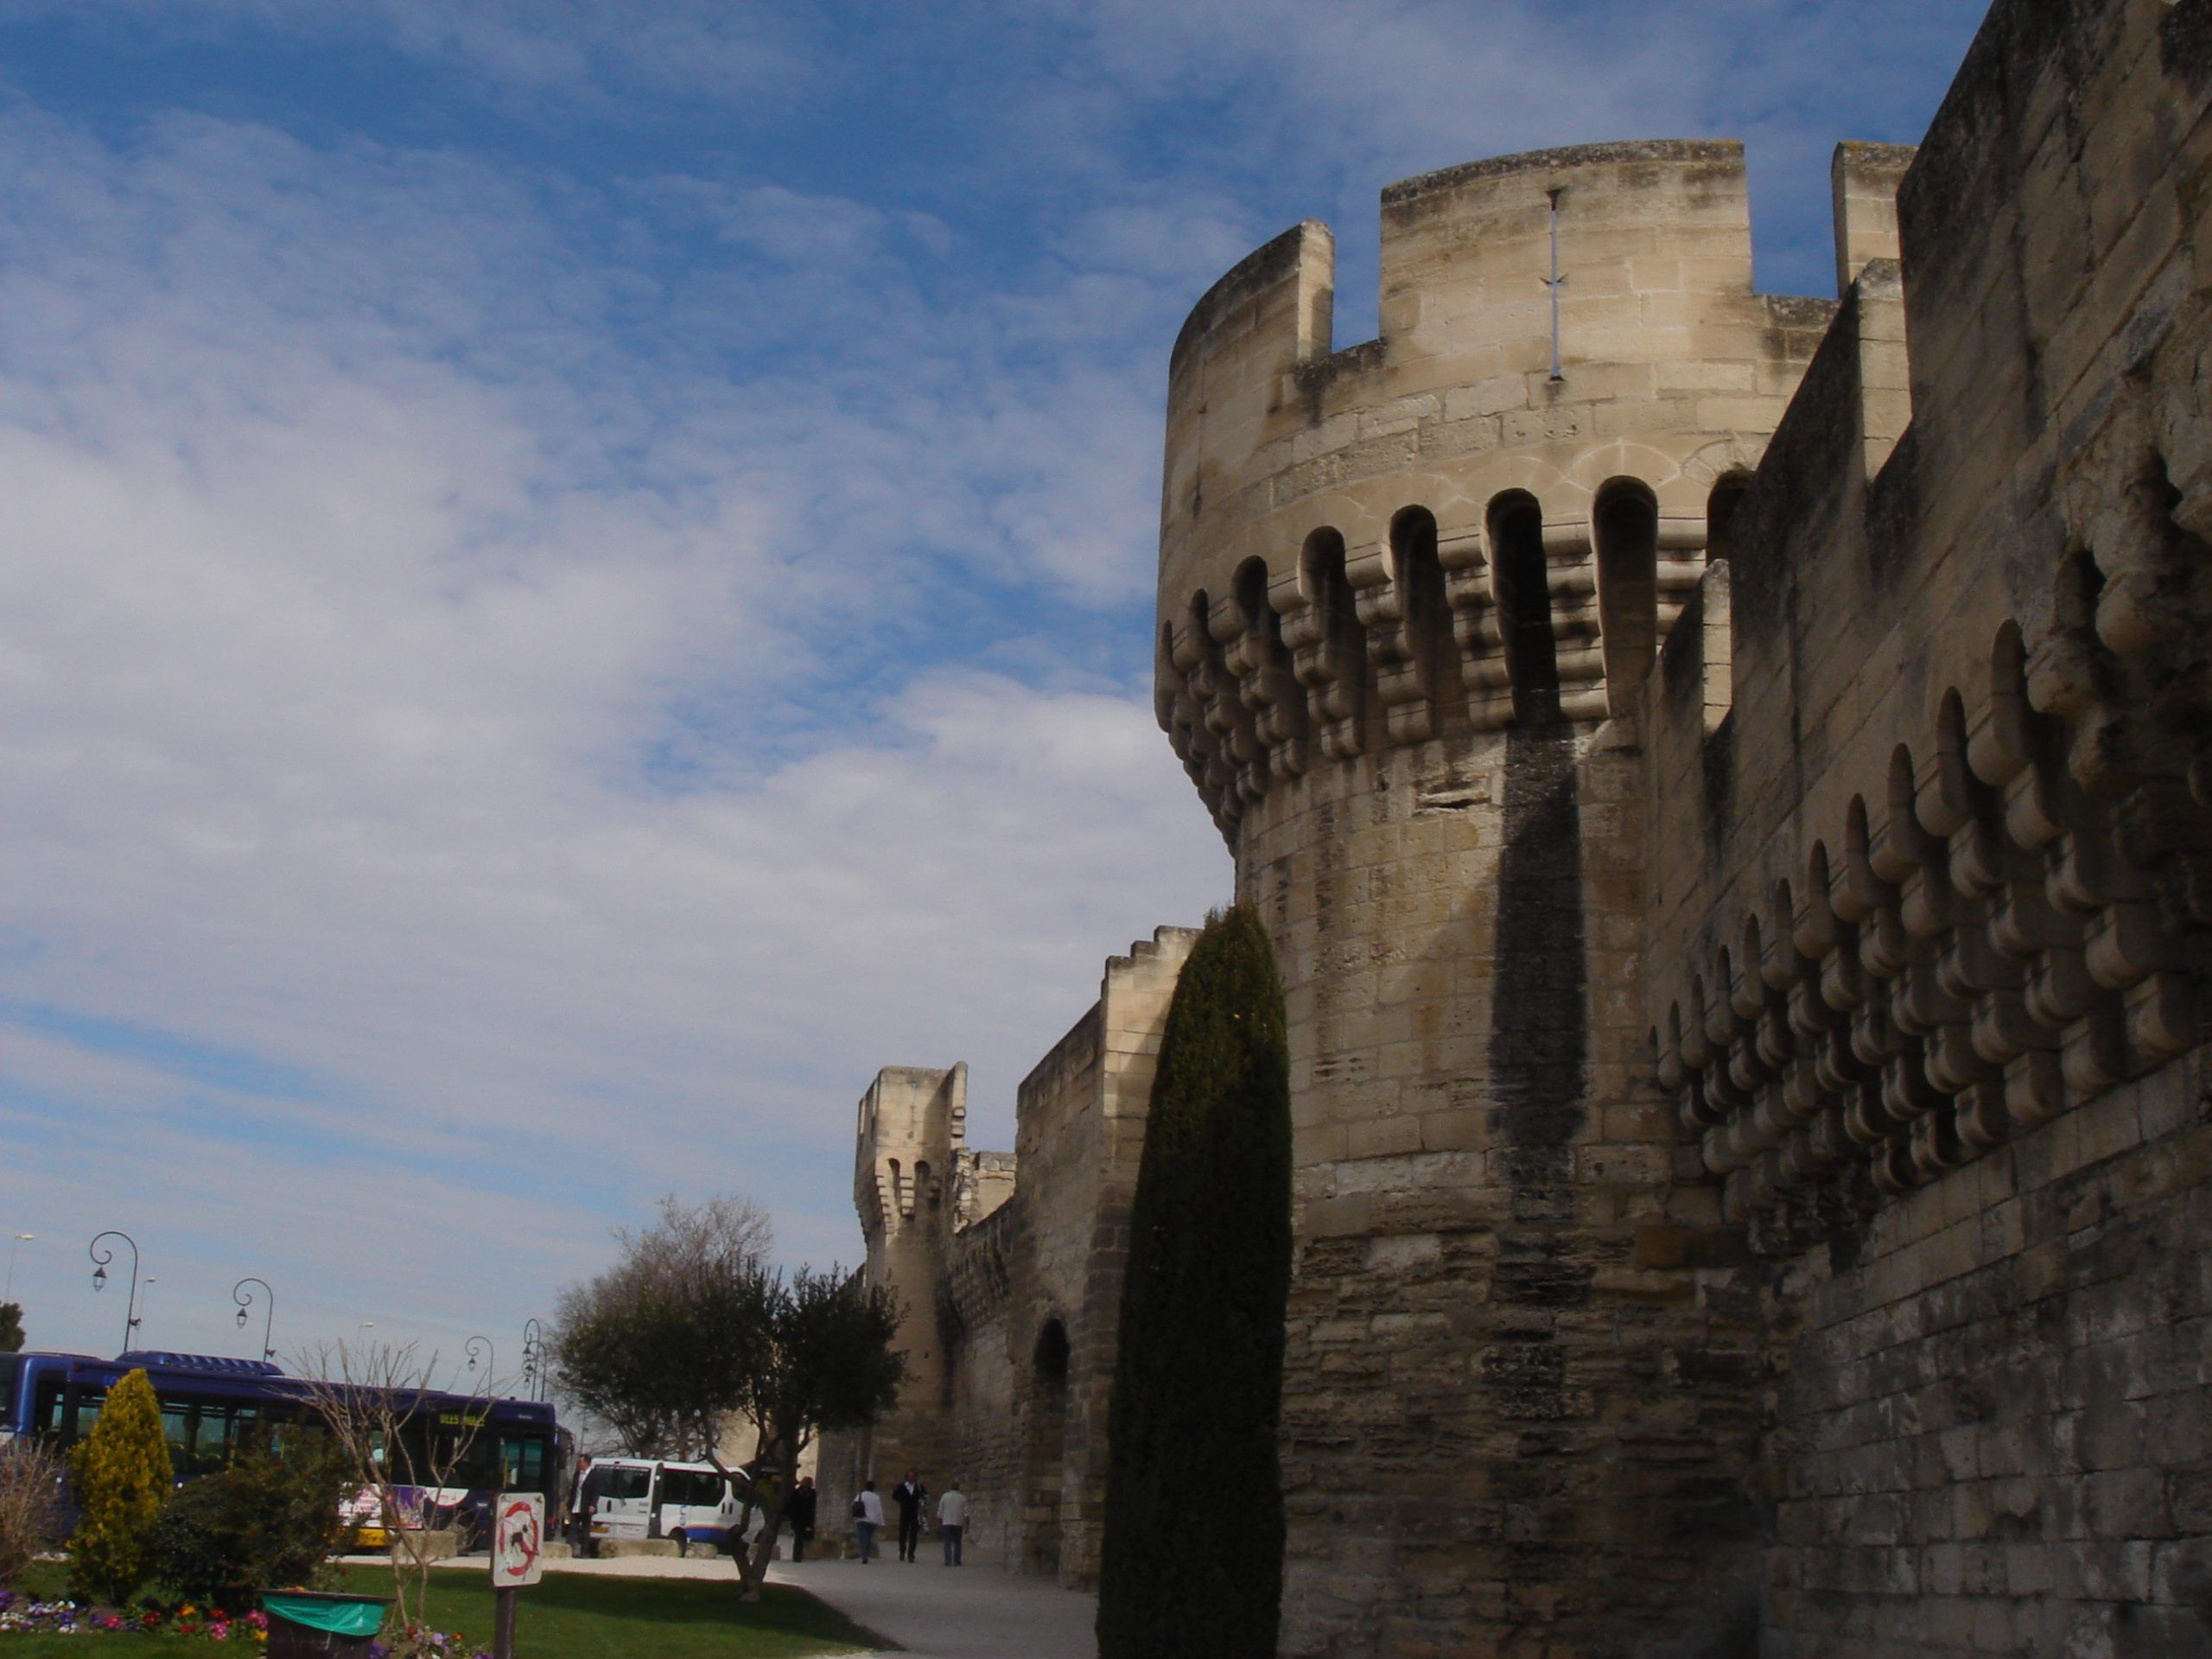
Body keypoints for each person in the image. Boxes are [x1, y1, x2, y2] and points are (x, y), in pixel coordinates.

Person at [891, 1470, 928, 1563]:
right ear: (907, 1477)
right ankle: (902, 1552)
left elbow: (925, 1496)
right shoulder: (901, 1486)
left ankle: (911, 1554)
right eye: (909, 1476)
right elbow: (894, 1495)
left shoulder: (919, 1487)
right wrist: (901, 1501)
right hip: (904, 1512)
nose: (911, 1478)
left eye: (913, 1476)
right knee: (903, 1533)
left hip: (915, 1512)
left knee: (913, 1534)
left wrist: (921, 1503)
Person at [936, 1478, 967, 1567]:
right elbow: (966, 1512)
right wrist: (967, 1524)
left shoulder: (945, 1496)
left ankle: (948, 1560)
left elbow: (940, 1511)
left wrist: (939, 1521)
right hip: (958, 1522)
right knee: (957, 1542)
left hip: (947, 1522)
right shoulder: (962, 1498)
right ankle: (957, 1560)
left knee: (947, 1542)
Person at [787, 1476, 817, 1563]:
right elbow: (812, 1508)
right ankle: (798, 1556)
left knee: (801, 1538)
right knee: (799, 1538)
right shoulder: (800, 1493)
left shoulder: (799, 1492)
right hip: (800, 1518)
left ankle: (799, 1555)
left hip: (802, 1518)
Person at [854, 1478, 883, 1563]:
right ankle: (866, 1553)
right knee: (868, 1538)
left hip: (861, 1518)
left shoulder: (860, 1495)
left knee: (863, 1538)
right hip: (872, 1520)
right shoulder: (876, 1497)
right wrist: (881, 1521)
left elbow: (854, 1504)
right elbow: (879, 1510)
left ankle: (864, 1555)